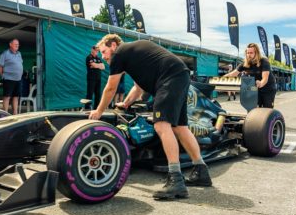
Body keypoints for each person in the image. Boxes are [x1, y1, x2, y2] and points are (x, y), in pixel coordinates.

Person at [88, 34, 212, 200]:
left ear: (113, 45)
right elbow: (138, 88)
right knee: (180, 127)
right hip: (180, 75)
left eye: (104, 51)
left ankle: (175, 179)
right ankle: (201, 171)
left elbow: (111, 88)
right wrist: (125, 104)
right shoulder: (135, 55)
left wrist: (99, 111)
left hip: (169, 78)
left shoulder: (119, 53)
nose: (103, 57)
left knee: (161, 125)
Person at [224, 43, 276, 108]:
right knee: (254, 107)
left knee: (267, 109)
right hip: (255, 88)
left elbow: (265, 79)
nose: (249, 55)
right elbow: (233, 74)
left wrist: (260, 83)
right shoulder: (245, 63)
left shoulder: (264, 61)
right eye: (247, 53)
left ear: (256, 53)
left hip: (268, 88)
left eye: (251, 53)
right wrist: (220, 79)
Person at [0, 38, 23, 114]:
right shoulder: (5, 54)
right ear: (10, 44)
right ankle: (5, 114)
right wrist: (3, 76)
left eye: (18, 44)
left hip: (18, 79)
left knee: (15, 97)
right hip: (8, 79)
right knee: (7, 96)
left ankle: (15, 114)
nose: (17, 46)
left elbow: (20, 64)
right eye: (15, 44)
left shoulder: (19, 53)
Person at [85, 45, 105, 110]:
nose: (97, 52)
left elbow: (103, 67)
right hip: (91, 78)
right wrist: (98, 65)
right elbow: (94, 65)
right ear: (92, 50)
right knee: (90, 94)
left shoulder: (98, 58)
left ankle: (96, 109)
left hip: (98, 78)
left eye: (98, 51)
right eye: (95, 50)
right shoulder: (89, 57)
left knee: (98, 94)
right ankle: (87, 108)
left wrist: (97, 65)